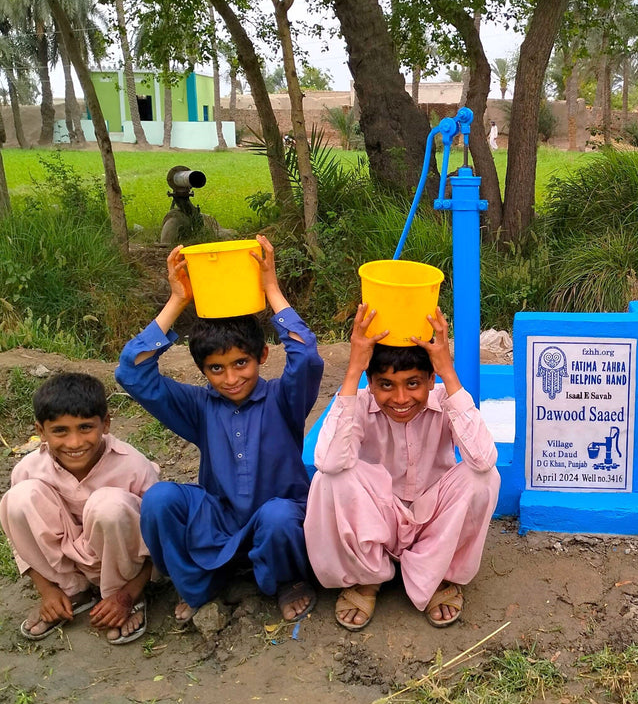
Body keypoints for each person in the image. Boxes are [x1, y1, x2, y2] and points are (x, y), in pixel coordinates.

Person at [115, 235, 324, 624]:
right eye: (216, 368)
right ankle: (200, 585)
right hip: (220, 520)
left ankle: (286, 580)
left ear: (262, 356)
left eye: (241, 363)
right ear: (202, 370)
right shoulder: (198, 406)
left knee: (278, 516)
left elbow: (307, 355)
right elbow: (132, 372)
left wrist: (271, 288)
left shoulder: (284, 399)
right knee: (159, 499)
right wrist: (178, 300)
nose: (230, 378)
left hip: (278, 518)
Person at [304, 304, 500, 630]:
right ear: (370, 382)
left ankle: (436, 573)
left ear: (431, 379)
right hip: (378, 518)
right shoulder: (359, 403)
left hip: (432, 518)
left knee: (483, 477)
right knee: (330, 480)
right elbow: (326, 462)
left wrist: (448, 372)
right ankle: (367, 577)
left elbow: (484, 459)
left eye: (413, 384)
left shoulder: (445, 399)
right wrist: (353, 369)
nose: (400, 398)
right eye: (386, 385)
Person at [0, 373, 158, 643]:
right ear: (41, 432)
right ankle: (72, 591)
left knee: (109, 506)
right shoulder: (28, 469)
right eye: (60, 431)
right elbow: (20, 536)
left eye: (85, 427)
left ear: (105, 424)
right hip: (65, 565)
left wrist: (129, 592)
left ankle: (122, 595)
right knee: (17, 499)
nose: (74, 443)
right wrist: (47, 590)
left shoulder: (133, 466)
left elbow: (160, 537)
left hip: (122, 564)